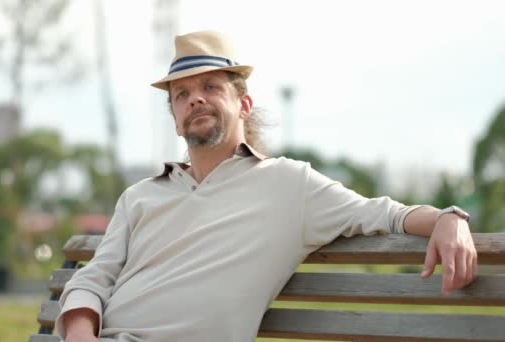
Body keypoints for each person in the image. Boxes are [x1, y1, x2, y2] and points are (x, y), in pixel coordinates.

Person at [56, 30, 477, 342]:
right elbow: (93, 278)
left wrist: (449, 218)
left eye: (209, 87)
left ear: (243, 104)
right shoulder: (140, 196)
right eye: (181, 94)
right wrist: (79, 335)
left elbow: (386, 213)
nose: (194, 99)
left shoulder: (288, 184)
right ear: (175, 116)